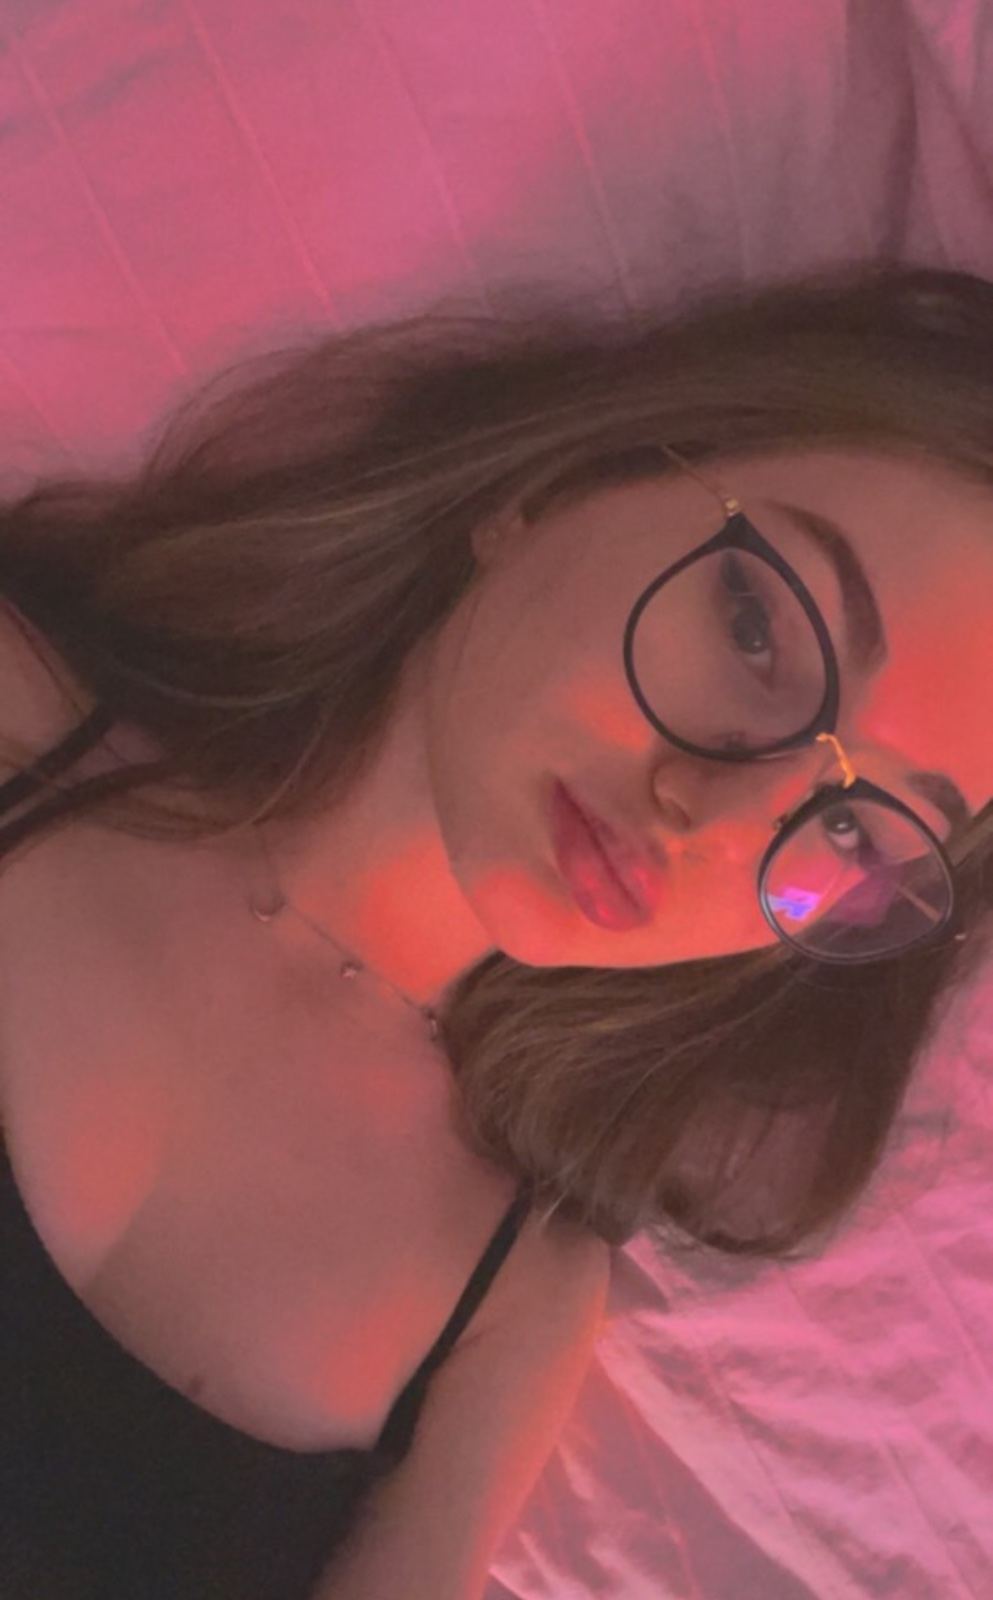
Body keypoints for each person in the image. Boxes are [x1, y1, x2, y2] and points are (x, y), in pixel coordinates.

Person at [1, 264, 992, 1598]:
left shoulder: (514, 1301)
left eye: (861, 832)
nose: (712, 811)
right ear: (554, 482)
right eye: (758, 626)